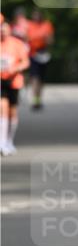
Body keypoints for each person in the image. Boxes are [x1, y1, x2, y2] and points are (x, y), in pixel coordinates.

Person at [0, 17, 30, 156]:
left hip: (14, 81)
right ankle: (2, 143)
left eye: (5, 30)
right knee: (2, 108)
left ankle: (9, 140)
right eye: (1, 30)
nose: (2, 32)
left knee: (12, 112)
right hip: (1, 81)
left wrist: (15, 69)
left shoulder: (17, 44)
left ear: (9, 30)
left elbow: (26, 62)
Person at [26, 9, 55, 110]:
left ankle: (39, 98)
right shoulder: (29, 25)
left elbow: (51, 40)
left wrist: (46, 39)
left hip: (43, 53)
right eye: (34, 15)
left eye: (38, 15)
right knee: (35, 77)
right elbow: (25, 38)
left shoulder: (47, 25)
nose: (36, 17)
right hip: (32, 53)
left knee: (41, 78)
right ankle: (35, 99)